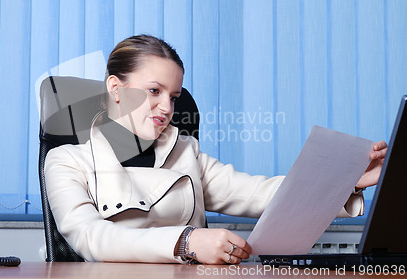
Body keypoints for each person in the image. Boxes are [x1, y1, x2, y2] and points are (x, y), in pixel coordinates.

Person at [44, 34, 387, 264]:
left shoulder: (185, 152)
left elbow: (259, 193)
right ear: (116, 88)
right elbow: (91, 236)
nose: (167, 107)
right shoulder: (66, 161)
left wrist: (346, 179)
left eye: (173, 97)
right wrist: (187, 241)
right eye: (153, 91)